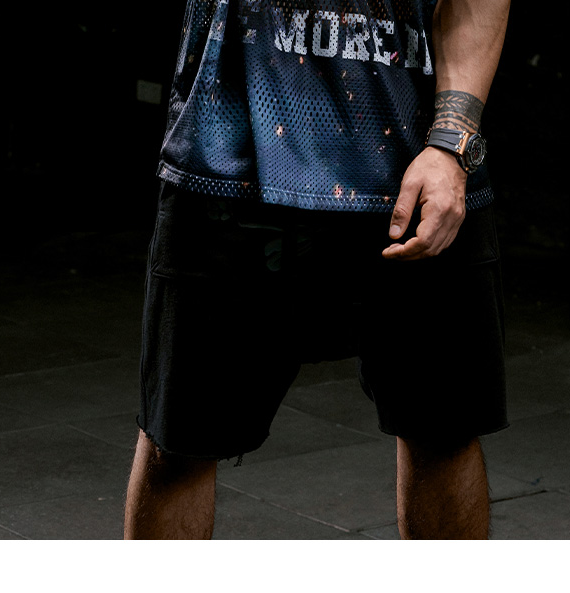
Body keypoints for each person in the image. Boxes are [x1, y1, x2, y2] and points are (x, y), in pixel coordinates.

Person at [124, 0, 511, 539]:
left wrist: (451, 144)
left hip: (417, 165)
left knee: (445, 431)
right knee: (179, 441)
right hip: (231, 158)